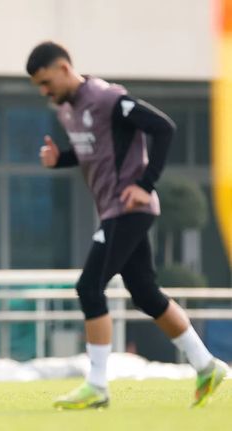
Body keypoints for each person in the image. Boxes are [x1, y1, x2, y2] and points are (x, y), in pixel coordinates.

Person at [25, 41, 228, 410]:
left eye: (45, 82)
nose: (44, 91)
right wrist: (60, 159)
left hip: (130, 208)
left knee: (89, 287)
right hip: (113, 211)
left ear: (64, 68)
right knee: (145, 294)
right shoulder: (67, 109)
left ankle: (97, 385)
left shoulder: (107, 98)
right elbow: (96, 151)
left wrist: (145, 184)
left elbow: (163, 128)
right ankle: (206, 365)